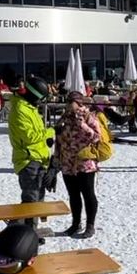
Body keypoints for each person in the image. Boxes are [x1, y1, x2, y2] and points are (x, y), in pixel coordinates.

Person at [53, 92, 102, 238]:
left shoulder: (88, 116)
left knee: (88, 194)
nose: (68, 104)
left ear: (79, 103)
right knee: (73, 195)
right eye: (67, 101)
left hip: (84, 163)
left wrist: (82, 125)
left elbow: (97, 137)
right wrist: (56, 159)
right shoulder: (64, 117)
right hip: (67, 162)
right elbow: (59, 140)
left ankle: (90, 225)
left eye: (71, 101)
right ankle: (75, 224)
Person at [8, 76, 54, 226]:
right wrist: (51, 132)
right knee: (31, 200)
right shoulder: (20, 109)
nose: (39, 103)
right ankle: (25, 233)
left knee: (38, 198)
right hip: (28, 160)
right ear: (32, 95)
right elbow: (29, 137)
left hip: (40, 158)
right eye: (39, 99)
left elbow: (37, 132)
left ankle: (27, 231)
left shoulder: (30, 107)